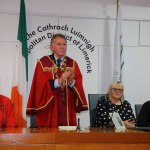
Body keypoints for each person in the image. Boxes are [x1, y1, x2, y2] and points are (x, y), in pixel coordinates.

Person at [26, 33, 88, 127]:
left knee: (67, 139)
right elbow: (39, 87)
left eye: (64, 44)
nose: (62, 47)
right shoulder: (42, 63)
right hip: (48, 109)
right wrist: (60, 80)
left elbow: (78, 86)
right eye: (59, 44)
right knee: (48, 139)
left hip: (68, 108)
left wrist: (71, 82)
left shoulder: (72, 63)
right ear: (51, 47)